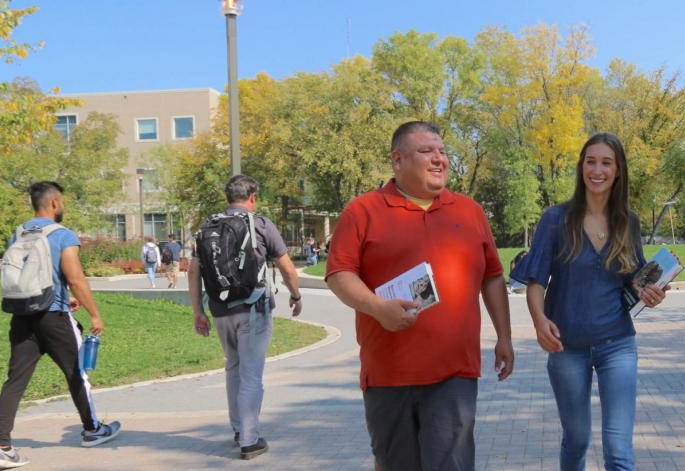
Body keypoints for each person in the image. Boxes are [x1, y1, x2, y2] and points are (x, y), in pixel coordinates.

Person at [326, 121, 514, 471]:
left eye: (442, 152)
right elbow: (339, 274)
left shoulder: (469, 211)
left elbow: (492, 276)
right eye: (427, 152)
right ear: (398, 161)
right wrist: (378, 307)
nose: (439, 159)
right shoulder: (362, 211)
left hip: (455, 372)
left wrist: (504, 336)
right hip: (388, 374)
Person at [511, 132, 668, 471]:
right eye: (590, 161)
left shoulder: (629, 221)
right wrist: (539, 321)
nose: (597, 170)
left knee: (618, 451)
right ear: (581, 166)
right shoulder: (556, 219)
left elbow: (635, 279)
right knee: (577, 440)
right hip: (566, 347)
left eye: (606, 163)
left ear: (618, 171)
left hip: (618, 345)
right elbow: (536, 280)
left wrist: (650, 293)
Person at [0, 182, 121, 470]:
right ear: (55, 203)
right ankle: (92, 429)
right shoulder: (62, 235)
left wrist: (62, 296)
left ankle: (2, 446)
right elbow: (75, 278)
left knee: (15, 381)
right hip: (54, 317)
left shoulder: (18, 233)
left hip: (23, 316)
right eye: (63, 203)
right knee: (77, 374)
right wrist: (94, 314)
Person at [188, 174, 304, 460]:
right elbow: (287, 268)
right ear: (252, 197)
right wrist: (296, 295)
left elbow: (193, 271)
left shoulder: (207, 226)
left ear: (229, 198)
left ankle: (239, 429)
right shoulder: (261, 225)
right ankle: (250, 441)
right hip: (253, 309)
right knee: (251, 375)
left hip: (219, 310)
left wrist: (197, 311)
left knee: (233, 368)